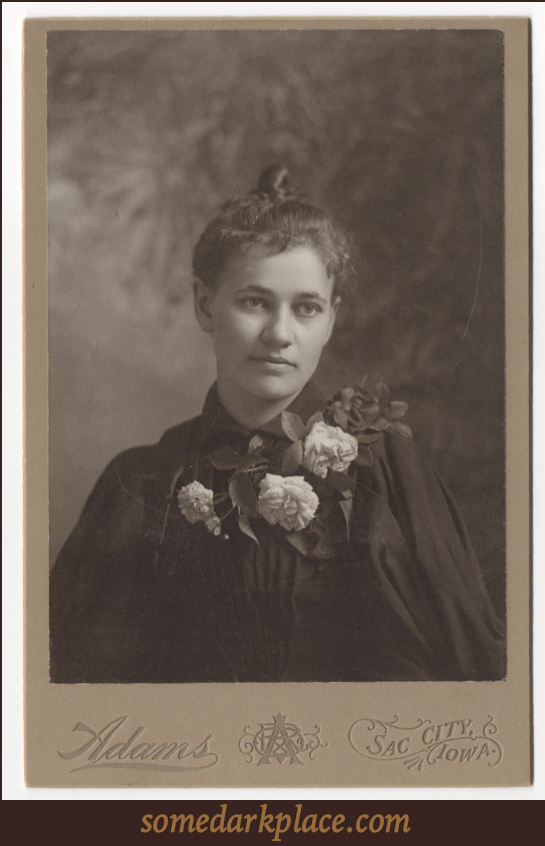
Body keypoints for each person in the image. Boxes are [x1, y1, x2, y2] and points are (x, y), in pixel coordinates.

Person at [49, 165, 506, 684]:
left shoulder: (386, 472)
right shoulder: (141, 484)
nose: (279, 333)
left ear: (331, 319)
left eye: (306, 308)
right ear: (205, 304)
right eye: (254, 302)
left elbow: (474, 677)